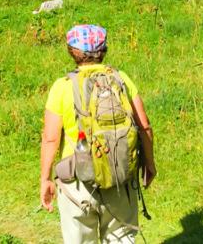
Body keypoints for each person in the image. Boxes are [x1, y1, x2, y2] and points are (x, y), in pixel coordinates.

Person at [40, 24, 156, 243]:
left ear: (71, 51)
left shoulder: (62, 87)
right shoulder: (122, 79)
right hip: (120, 177)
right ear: (103, 50)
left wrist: (45, 179)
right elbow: (145, 127)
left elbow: (51, 138)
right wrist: (149, 164)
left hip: (77, 184)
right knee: (122, 239)